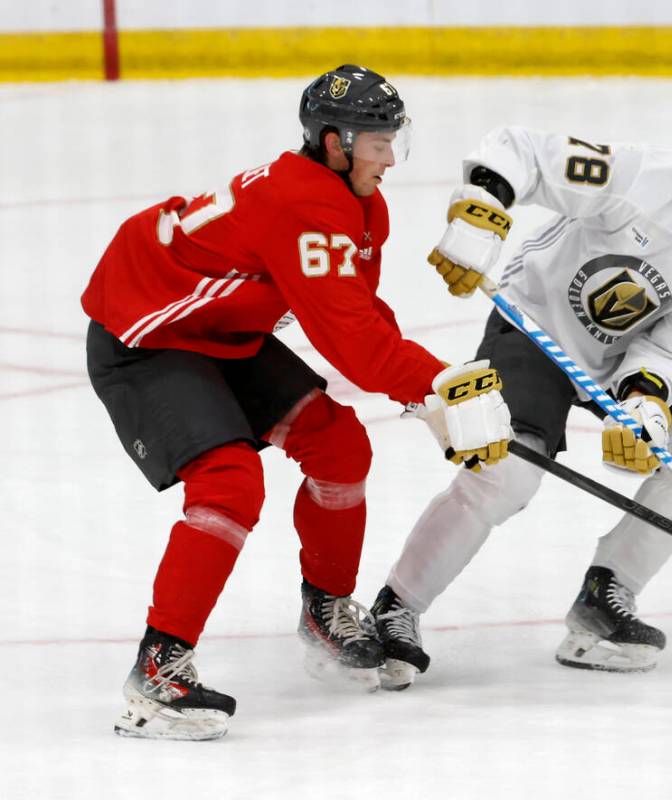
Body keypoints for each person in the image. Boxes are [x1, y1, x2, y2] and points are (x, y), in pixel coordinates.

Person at [81, 64, 512, 740]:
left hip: (223, 334)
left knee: (341, 446)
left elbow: (361, 314)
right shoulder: (304, 204)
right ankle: (159, 671)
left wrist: (429, 394)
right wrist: (437, 387)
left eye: (394, 140)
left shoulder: (362, 202)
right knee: (228, 481)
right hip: (148, 336)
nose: (390, 158)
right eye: (377, 143)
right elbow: (351, 345)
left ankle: (326, 610)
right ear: (334, 141)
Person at [369, 116, 672, 689]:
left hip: (625, 358)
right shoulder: (640, 179)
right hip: (534, 328)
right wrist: (481, 210)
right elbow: (521, 148)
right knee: (507, 474)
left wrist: (645, 402)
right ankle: (396, 606)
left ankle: (607, 595)